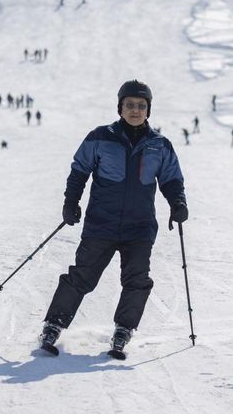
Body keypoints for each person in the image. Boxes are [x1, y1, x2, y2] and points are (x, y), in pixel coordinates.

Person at [39, 80, 187, 356]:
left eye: (141, 106)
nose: (135, 110)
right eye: (130, 105)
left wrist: (177, 202)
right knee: (82, 276)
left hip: (140, 227)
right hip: (101, 223)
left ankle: (124, 329)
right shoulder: (100, 138)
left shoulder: (159, 145)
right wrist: (71, 201)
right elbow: (79, 170)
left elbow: (171, 178)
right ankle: (53, 325)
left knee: (137, 280)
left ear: (148, 110)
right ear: (120, 107)